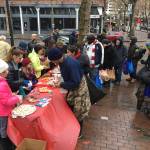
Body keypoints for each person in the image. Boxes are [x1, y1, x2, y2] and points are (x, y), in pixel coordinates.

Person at [48, 48, 91, 138]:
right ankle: (72, 128)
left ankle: (78, 133)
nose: (53, 63)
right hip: (74, 88)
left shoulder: (70, 64)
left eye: (53, 61)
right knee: (71, 105)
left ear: (57, 58)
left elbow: (75, 82)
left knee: (79, 111)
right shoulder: (63, 61)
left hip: (79, 89)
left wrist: (61, 84)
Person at [0, 59, 22, 150]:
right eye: (6, 70)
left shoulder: (2, 82)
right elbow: (6, 101)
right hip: (3, 112)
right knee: (4, 128)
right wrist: (17, 98)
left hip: (3, 110)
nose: (8, 72)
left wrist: (11, 95)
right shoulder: (2, 84)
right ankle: (5, 144)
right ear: (1, 72)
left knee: (3, 126)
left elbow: (3, 97)